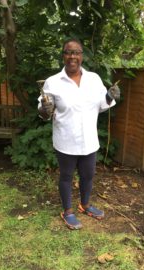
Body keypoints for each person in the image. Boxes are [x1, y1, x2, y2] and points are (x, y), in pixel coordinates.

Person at [38, 38, 120, 230]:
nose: (72, 56)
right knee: (66, 177)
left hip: (89, 140)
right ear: (63, 56)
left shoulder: (94, 79)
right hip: (65, 140)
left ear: (82, 56)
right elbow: (43, 112)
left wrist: (110, 96)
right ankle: (67, 211)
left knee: (88, 175)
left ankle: (85, 205)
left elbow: (102, 105)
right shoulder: (52, 82)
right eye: (68, 52)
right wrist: (45, 109)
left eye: (76, 52)